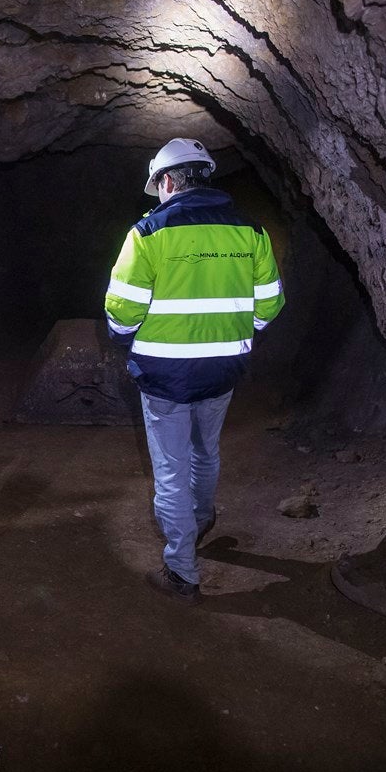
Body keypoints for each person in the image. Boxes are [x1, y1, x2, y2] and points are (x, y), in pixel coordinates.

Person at [104, 138, 285, 604]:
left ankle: (183, 571)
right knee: (206, 452)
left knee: (170, 470)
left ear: (167, 181)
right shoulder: (251, 231)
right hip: (223, 370)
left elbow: (122, 312)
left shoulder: (147, 234)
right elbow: (269, 305)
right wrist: (231, 335)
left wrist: (131, 337)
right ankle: (202, 519)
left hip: (165, 375)